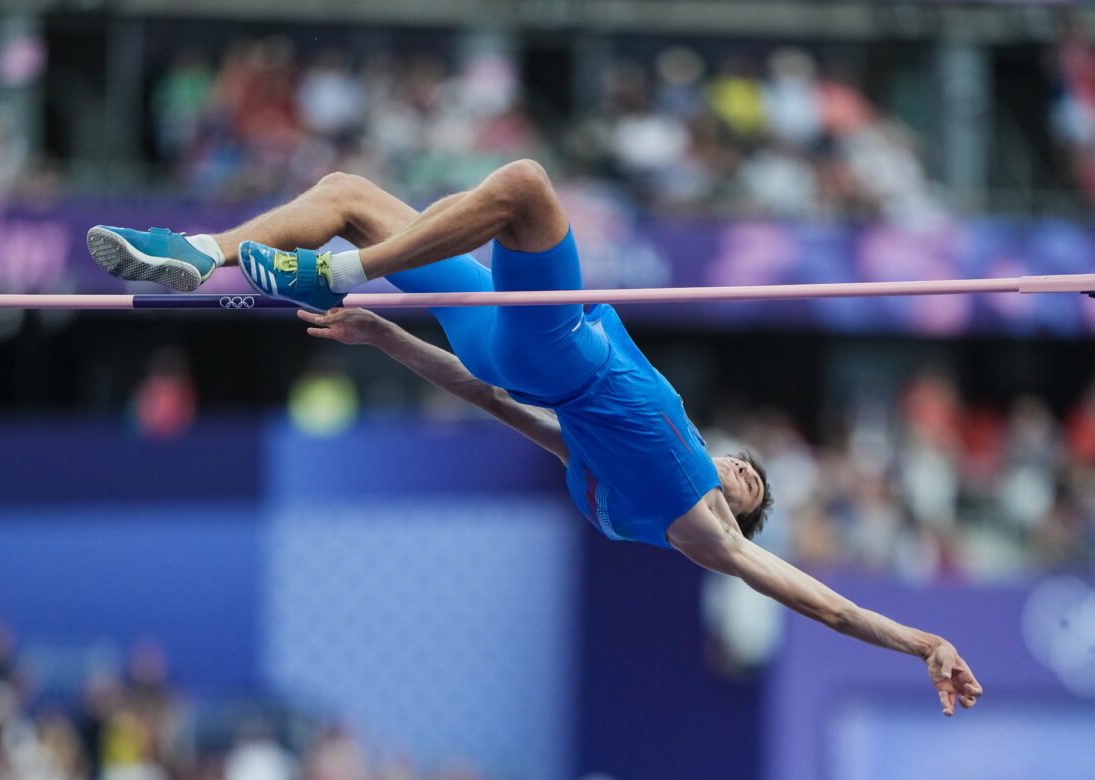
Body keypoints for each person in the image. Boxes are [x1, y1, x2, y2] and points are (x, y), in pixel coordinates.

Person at [87, 159, 982, 716]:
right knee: (348, 192)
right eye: (744, 462)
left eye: (747, 483)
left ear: (733, 515)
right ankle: (203, 252)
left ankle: (333, 270)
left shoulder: (696, 526)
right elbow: (493, 403)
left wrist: (924, 643)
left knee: (523, 186)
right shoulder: (610, 474)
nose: (739, 466)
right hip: (503, 340)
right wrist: (388, 336)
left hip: (553, 347)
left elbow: (827, 606)